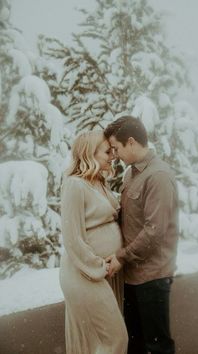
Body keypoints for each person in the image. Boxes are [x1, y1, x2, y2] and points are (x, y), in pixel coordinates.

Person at [104, 116, 179, 354]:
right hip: (133, 276)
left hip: (152, 277)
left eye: (116, 148)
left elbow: (154, 232)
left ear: (132, 142)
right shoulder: (130, 174)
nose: (114, 154)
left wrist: (121, 257)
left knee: (157, 346)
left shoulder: (158, 176)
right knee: (134, 344)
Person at [59, 130, 128, 354]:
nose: (113, 156)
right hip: (85, 273)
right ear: (90, 153)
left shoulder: (99, 182)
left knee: (97, 342)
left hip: (103, 272)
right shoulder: (74, 185)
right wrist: (99, 267)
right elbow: (73, 238)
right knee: (116, 339)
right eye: (107, 151)